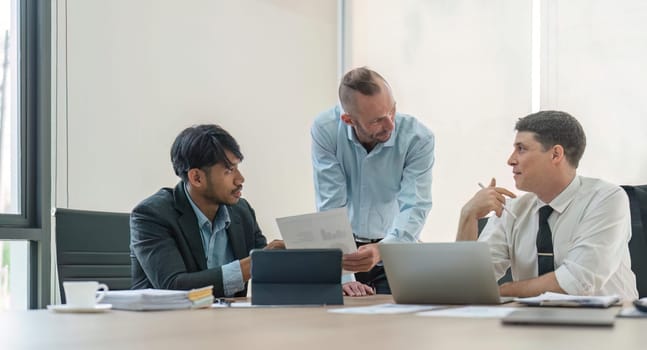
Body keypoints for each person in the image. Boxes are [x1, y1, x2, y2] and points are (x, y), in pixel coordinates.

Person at [457, 110, 638, 299]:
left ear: (555, 154)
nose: (510, 160)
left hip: (607, 323)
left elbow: (576, 281)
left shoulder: (606, 199)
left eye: (521, 149)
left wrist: (499, 293)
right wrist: (468, 216)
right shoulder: (513, 210)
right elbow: (466, 285)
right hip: (531, 324)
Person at [311, 67, 435, 296]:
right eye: (377, 120)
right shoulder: (326, 130)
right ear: (348, 120)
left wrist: (384, 249)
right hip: (344, 249)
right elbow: (331, 205)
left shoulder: (418, 138)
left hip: (395, 244)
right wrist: (343, 274)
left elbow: (415, 205)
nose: (390, 125)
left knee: (396, 326)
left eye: (392, 111)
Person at [130, 124, 284, 297]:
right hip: (166, 321)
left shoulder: (241, 211)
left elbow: (266, 270)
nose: (240, 179)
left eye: (237, 168)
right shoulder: (151, 215)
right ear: (196, 178)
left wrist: (290, 257)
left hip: (229, 321)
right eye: (229, 170)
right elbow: (173, 286)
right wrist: (256, 263)